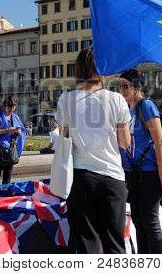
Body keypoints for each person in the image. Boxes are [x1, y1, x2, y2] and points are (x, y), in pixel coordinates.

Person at [56, 47, 131, 254]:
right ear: (102, 69)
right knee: (115, 244)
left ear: (78, 69)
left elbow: (64, 136)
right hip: (112, 177)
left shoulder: (66, 99)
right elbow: (124, 143)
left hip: (80, 177)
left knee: (85, 243)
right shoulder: (117, 100)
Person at [119, 69, 162, 254]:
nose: (121, 90)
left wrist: (161, 173)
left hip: (149, 172)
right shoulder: (126, 109)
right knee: (139, 221)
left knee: (150, 220)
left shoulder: (146, 106)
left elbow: (160, 141)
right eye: (119, 86)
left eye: (125, 86)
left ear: (137, 87)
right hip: (133, 173)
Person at [0, 96, 26, 185]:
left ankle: (5, 195)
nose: (11, 110)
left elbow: (22, 132)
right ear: (4, 106)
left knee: (8, 174)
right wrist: (7, 130)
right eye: (9, 107)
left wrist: (18, 132)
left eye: (13, 107)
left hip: (11, 148)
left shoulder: (16, 117)